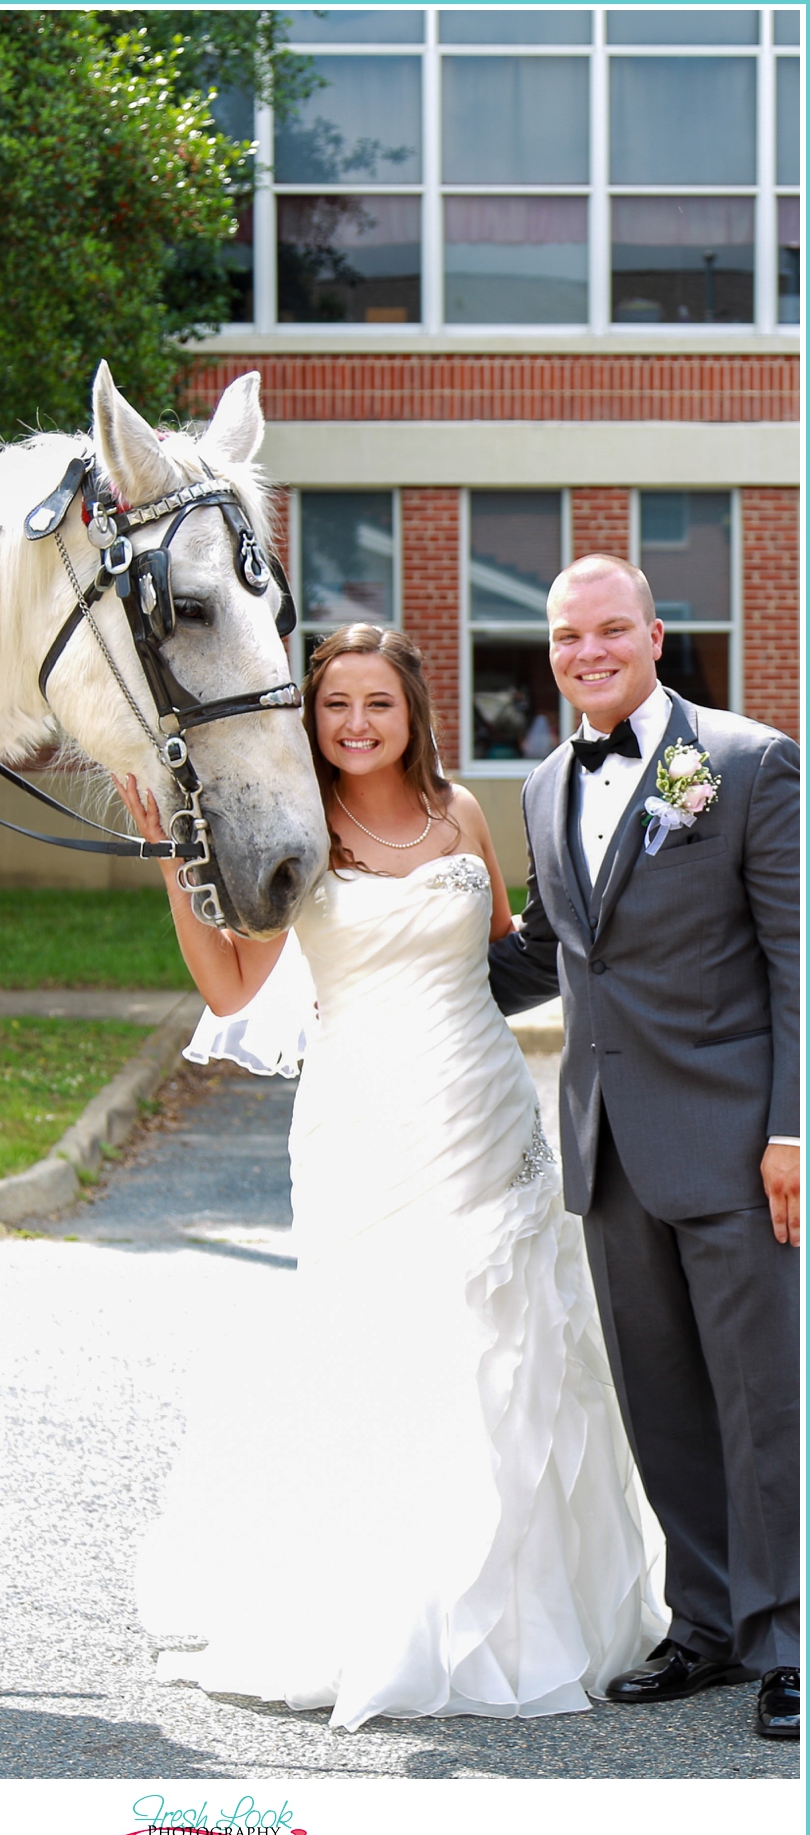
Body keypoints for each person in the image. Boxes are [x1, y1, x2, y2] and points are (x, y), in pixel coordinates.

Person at [115, 623, 664, 1732]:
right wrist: (180, 865)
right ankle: (383, 1601)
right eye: (335, 705)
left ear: (413, 710)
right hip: (363, 1124)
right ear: (311, 721)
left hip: (486, 1111)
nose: (356, 722)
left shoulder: (463, 812)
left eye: (378, 701)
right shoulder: (298, 829)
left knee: (516, 1344)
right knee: (379, 1339)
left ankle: (527, 1609)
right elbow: (230, 987)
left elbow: (505, 948)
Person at [487, 555, 800, 1744]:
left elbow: (796, 958)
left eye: (612, 628)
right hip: (610, 1151)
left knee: (764, 1402)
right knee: (661, 1403)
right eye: (569, 635)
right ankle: (708, 1624)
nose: (589, 651)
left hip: (735, 1145)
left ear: (655, 634)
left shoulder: (744, 761)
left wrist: (792, 1129)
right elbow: (561, 947)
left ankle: (789, 1639)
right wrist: (400, 973)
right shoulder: (545, 780)